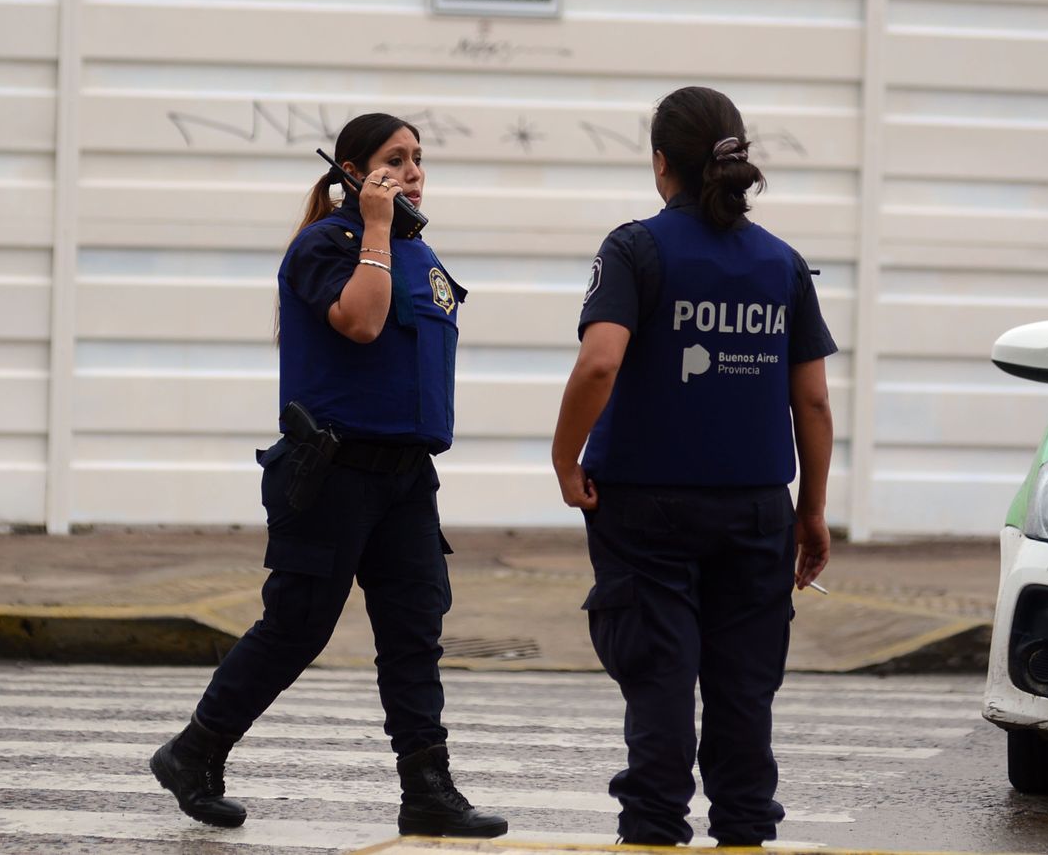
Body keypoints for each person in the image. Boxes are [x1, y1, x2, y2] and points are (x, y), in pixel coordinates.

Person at [148, 113, 507, 839]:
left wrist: (388, 234)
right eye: (393, 160)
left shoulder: (422, 255)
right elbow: (362, 324)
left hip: (405, 478)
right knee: (297, 627)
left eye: (417, 159)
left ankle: (427, 788)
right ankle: (194, 752)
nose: (412, 172)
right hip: (332, 473)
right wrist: (373, 227)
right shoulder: (328, 245)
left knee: (414, 631)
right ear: (352, 172)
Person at [551, 86, 836, 846]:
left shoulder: (634, 249)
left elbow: (599, 364)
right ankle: (744, 829)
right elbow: (811, 404)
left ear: (659, 164)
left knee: (660, 679)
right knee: (745, 690)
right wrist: (810, 512)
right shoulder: (782, 264)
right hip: (756, 510)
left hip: (646, 510)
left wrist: (563, 455)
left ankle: (651, 829)